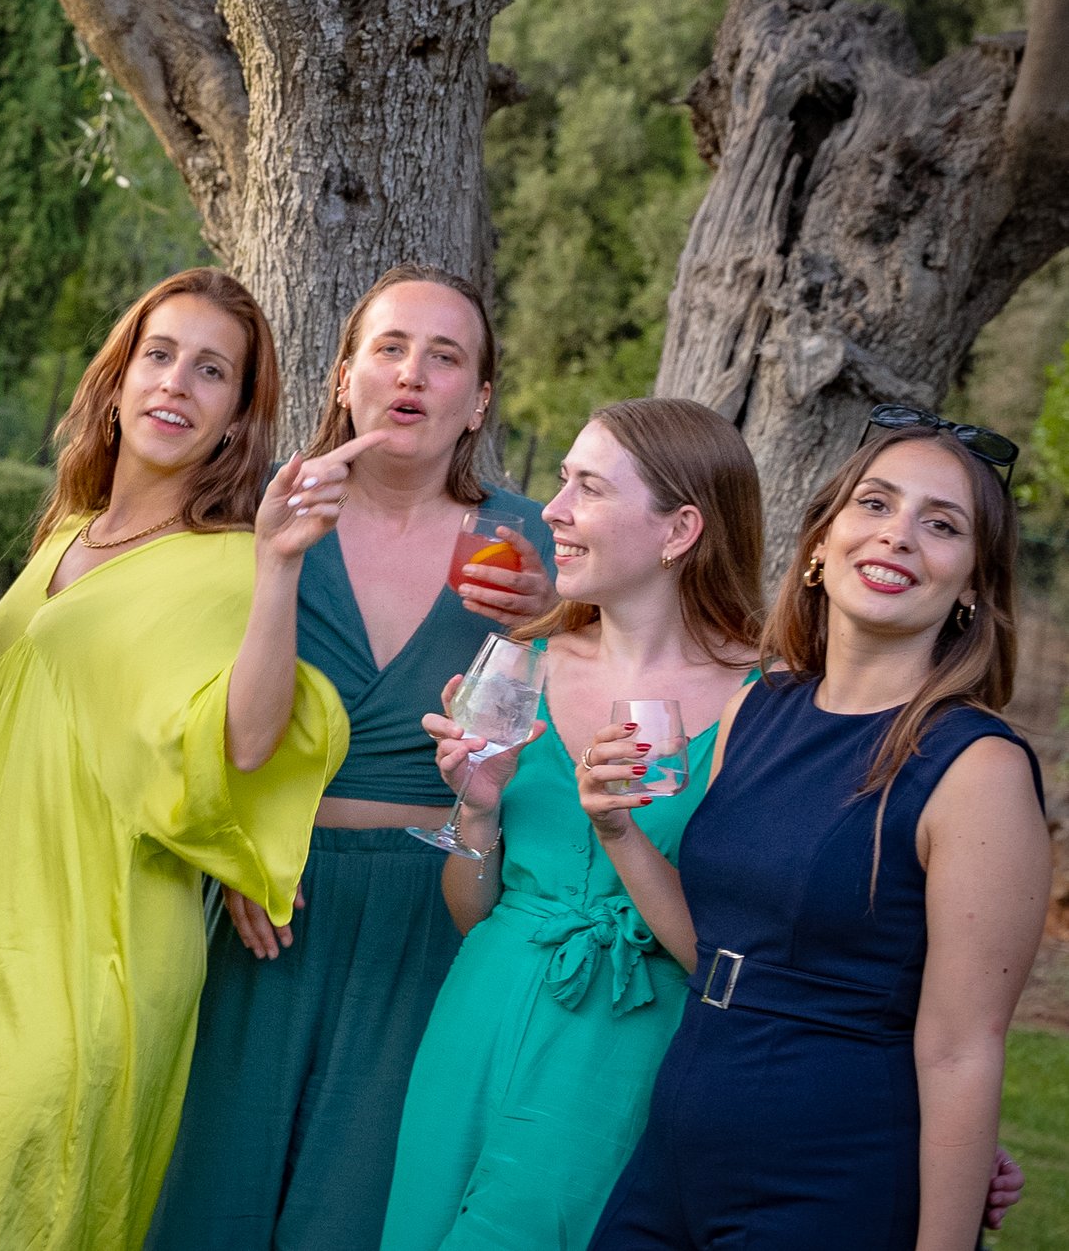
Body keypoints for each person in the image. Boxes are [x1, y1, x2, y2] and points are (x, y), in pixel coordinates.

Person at [0, 270, 351, 1251]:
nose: (175, 385)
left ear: (237, 418)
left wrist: (280, 566)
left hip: (103, 942)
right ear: (116, 380)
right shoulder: (67, 530)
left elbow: (241, 741)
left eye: (211, 372)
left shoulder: (237, 562)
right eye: (158, 355)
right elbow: (82, 681)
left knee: (10, 1186)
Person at [149, 264, 553, 1251]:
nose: (413, 373)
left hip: (432, 913)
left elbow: (587, 709)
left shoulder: (524, 544)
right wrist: (239, 849)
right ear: (343, 378)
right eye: (389, 347)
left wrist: (558, 614)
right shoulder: (262, 511)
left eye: (445, 356)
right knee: (214, 1191)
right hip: (267, 906)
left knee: (360, 1205)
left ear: (478, 401)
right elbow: (169, 701)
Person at [588, 418, 1051, 1251]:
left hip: (834, 1176)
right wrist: (619, 832)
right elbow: (723, 953)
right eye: (875, 503)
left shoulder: (977, 768)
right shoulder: (755, 709)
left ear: (973, 583)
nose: (898, 534)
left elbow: (960, 1051)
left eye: (941, 524)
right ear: (820, 541)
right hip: (672, 1161)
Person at [380, 399, 762, 1249]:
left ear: (680, 529)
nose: (552, 512)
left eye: (587, 488)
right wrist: (478, 808)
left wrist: (623, 834)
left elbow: (735, 949)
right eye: (563, 483)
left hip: (626, 1041)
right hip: (480, 1013)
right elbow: (473, 910)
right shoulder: (522, 661)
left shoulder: (762, 704)